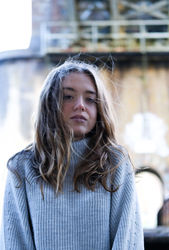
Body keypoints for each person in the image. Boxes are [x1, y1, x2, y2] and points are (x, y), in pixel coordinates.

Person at [0, 60, 144, 250]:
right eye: (68, 97)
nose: (80, 106)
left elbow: (127, 242)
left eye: (90, 99)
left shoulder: (115, 163)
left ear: (99, 109)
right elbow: (14, 242)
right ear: (50, 103)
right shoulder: (22, 167)